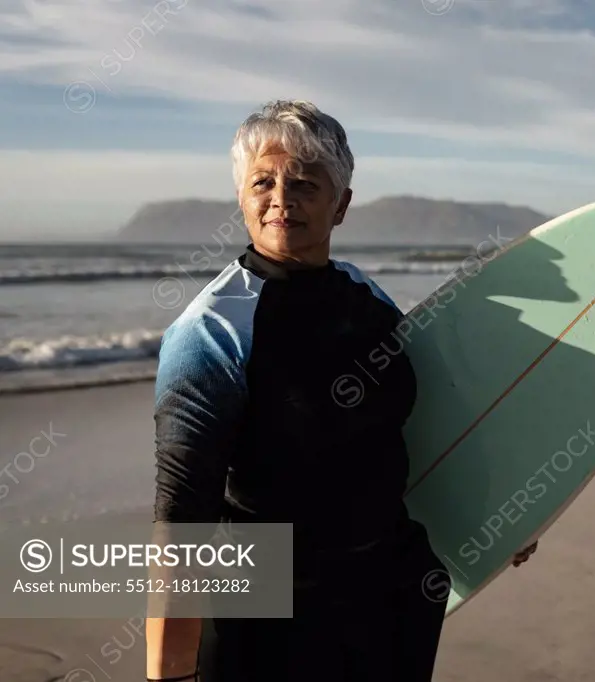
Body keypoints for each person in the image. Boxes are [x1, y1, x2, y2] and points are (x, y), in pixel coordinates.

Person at [145, 99, 537, 682]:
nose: (282, 197)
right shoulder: (212, 330)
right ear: (242, 198)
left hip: (390, 597)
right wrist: (168, 670)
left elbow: (422, 425)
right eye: (263, 181)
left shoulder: (366, 297)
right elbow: (181, 516)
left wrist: (490, 519)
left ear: (342, 205)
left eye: (304, 182)